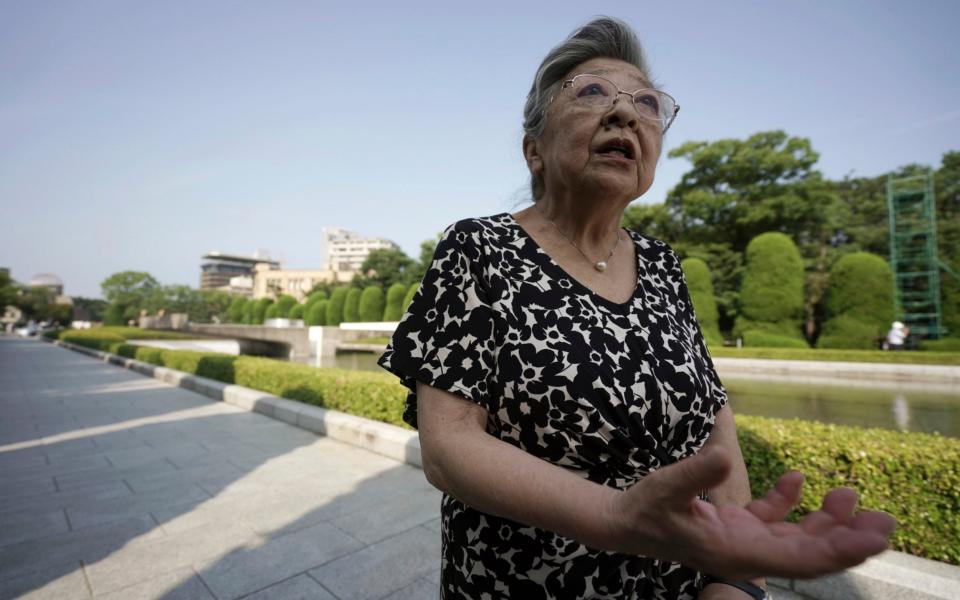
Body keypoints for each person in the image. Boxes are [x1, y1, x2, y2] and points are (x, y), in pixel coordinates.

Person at [379, 17, 895, 600]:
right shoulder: (479, 248)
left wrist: (739, 578)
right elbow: (448, 446)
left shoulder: (662, 265)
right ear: (534, 150)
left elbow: (712, 420)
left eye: (647, 103)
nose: (625, 114)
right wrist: (617, 517)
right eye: (593, 92)